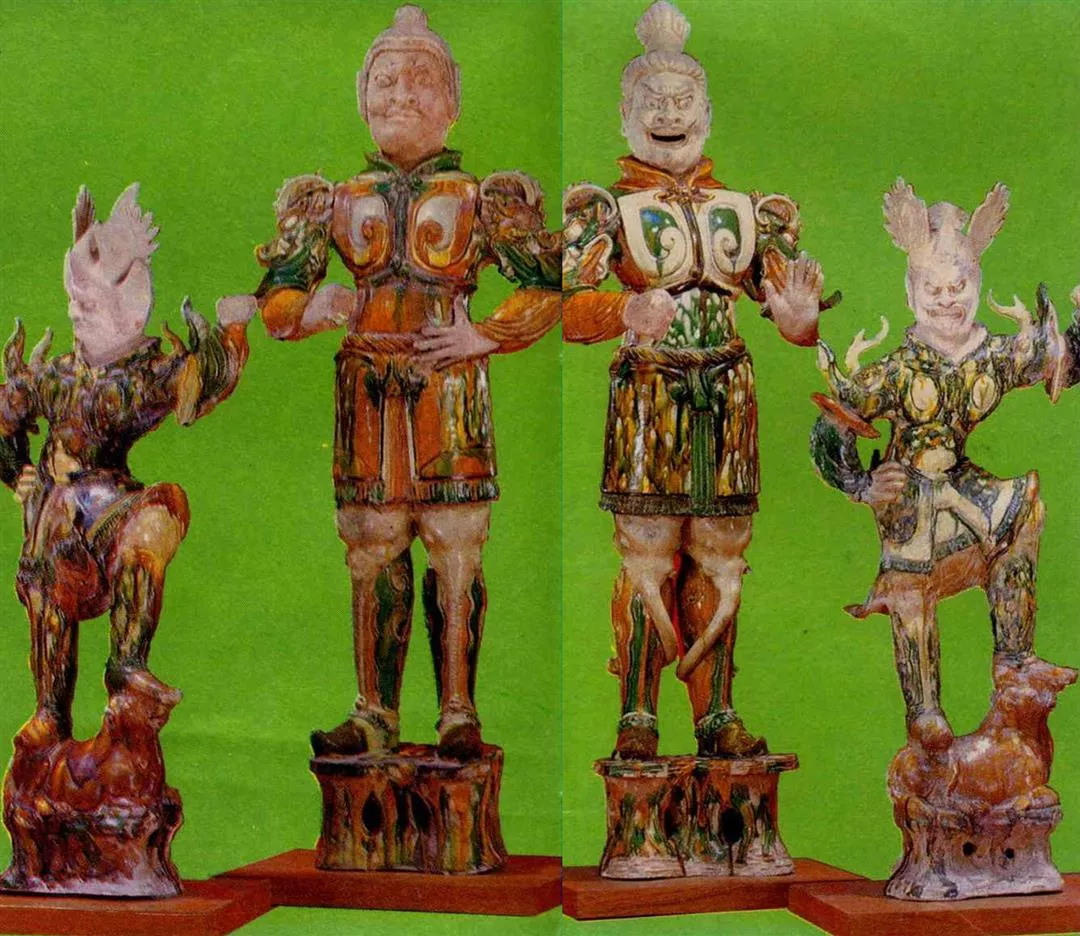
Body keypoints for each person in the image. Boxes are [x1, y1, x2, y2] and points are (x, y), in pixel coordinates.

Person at [249, 5, 560, 760]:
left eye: (421, 80)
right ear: (362, 97)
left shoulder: (482, 199)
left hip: (448, 394)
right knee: (373, 548)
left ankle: (458, 710)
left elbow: (546, 286)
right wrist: (314, 308)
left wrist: (485, 334)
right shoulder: (333, 200)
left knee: (456, 548)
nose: (402, 95)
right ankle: (374, 712)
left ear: (452, 102)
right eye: (386, 81)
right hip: (367, 395)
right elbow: (277, 298)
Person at [562, 0, 830, 759]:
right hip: (650, 395)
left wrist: (800, 318)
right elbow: (568, 307)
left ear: (707, 113)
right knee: (646, 555)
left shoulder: (748, 212)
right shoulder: (606, 211)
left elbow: (793, 317)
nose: (670, 115)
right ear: (626, 115)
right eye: (653, 101)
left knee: (720, 553)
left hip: (728, 397)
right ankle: (637, 716)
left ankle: (716, 713)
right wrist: (622, 309)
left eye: (683, 101)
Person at [810, 178, 1076, 750]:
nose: (947, 299)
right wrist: (860, 483)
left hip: (964, 482)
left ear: (976, 285)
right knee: (909, 587)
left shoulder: (992, 357)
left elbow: (1057, 363)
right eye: (933, 288)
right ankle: (924, 709)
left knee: (1021, 512)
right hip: (909, 494)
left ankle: (1014, 659)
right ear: (911, 293)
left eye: (958, 286)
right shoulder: (895, 372)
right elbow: (833, 425)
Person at [0, 183, 253, 749]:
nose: (76, 313)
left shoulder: (138, 377)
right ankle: (49, 712)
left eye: (89, 304)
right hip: (53, 524)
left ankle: (127, 667)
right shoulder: (55, 377)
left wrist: (231, 333)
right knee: (48, 596)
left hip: (110, 511)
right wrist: (16, 469)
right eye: (74, 302)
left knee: (159, 514)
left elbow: (195, 383)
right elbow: (3, 415)